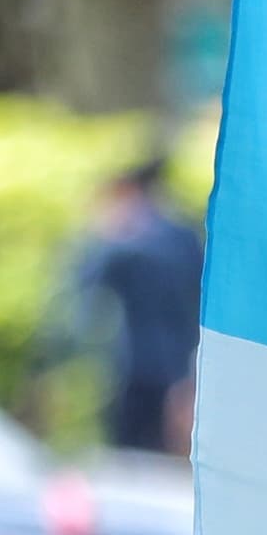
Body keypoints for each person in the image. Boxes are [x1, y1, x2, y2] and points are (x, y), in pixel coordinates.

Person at [65, 159, 205, 454]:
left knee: (134, 450)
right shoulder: (183, 235)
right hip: (167, 360)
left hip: (147, 363)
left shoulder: (132, 240)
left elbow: (87, 283)